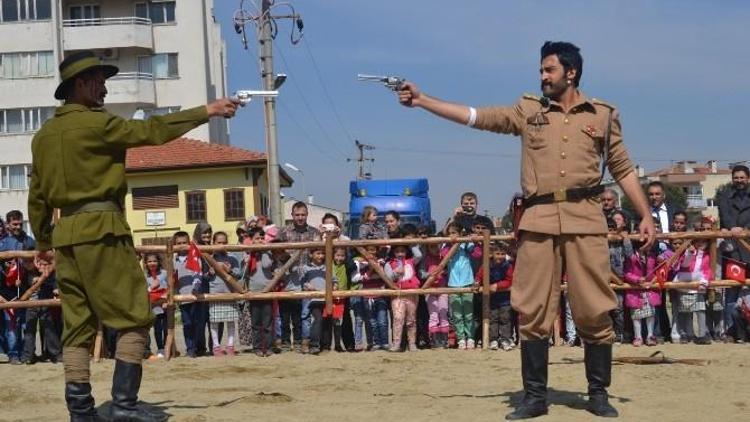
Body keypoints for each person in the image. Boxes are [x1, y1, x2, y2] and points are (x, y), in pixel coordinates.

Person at [394, 41, 655, 419]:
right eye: (541, 70)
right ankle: (535, 397)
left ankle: (598, 393)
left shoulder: (602, 116)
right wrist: (423, 101)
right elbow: (476, 116)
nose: (542, 76)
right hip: (538, 221)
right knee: (532, 310)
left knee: (595, 308)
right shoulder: (527, 110)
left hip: (586, 220)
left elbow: (624, 169)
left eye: (549, 70)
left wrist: (644, 214)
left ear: (571, 72)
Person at [27, 50, 240, 421]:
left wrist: (44, 242)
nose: (104, 88)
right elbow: (152, 132)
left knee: (77, 325)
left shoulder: (44, 136)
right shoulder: (97, 124)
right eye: (98, 80)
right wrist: (206, 111)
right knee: (137, 316)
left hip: (66, 237)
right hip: (103, 231)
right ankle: (123, 405)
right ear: (80, 84)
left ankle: (81, 412)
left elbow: (37, 196)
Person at [278, 201, 321, 353]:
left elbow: (319, 252)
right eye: (297, 214)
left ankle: (301, 341)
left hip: (309, 276)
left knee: (303, 313)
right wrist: (287, 263)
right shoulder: (283, 232)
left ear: (307, 214)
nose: (300, 217)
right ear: (292, 215)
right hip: (289, 276)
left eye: (303, 214)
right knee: (285, 313)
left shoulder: (315, 232)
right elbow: (278, 252)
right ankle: (284, 341)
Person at [718, 164, 750, 340]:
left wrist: (745, 229)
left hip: (749, 248)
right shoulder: (724, 196)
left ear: (748, 178)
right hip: (733, 251)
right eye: (736, 177)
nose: (739, 181)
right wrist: (733, 228)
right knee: (731, 292)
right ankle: (731, 330)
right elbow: (725, 216)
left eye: (742, 177)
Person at [623, 228, 660, 347]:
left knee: (650, 314)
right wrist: (637, 279)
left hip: (649, 288)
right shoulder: (632, 258)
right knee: (636, 316)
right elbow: (627, 273)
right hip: (635, 290)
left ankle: (650, 335)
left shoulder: (653, 257)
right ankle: (638, 336)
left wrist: (652, 280)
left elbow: (657, 271)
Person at [475, 242, 515, 351]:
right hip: (491, 298)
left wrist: (497, 285)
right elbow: (479, 275)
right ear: (492, 254)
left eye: (502, 254)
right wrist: (477, 282)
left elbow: (509, 280)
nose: (500, 256)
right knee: (493, 319)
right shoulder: (487, 265)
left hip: (504, 298)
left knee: (505, 319)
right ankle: (493, 339)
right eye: (497, 253)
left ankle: (505, 339)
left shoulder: (507, 266)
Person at [673, 237, 712, 344]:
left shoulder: (707, 256)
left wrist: (704, 283)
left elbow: (707, 271)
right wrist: (690, 253)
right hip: (684, 284)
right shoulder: (688, 253)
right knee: (684, 312)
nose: (701, 243)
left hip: (699, 285)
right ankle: (685, 334)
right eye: (698, 241)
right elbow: (685, 264)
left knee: (700, 310)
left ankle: (702, 334)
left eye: (703, 241)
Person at [244, 228, 277, 357]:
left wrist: (264, 250)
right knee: (256, 323)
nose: (260, 241)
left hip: (267, 291)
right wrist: (251, 252)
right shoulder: (247, 254)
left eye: (262, 238)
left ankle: (268, 347)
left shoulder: (267, 253)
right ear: (251, 240)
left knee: (267, 323)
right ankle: (257, 347)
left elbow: (266, 265)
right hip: (253, 291)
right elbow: (244, 270)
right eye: (257, 238)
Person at [444, 222, 476, 350]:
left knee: (468, 314)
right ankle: (461, 338)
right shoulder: (445, 247)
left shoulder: (466, 244)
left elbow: (476, 252)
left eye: (454, 233)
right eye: (450, 233)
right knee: (456, 314)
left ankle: (471, 337)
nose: (452, 236)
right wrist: (451, 244)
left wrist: (469, 239)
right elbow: (443, 255)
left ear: (460, 233)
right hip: (453, 283)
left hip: (467, 281)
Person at [173, 231, 204, 358]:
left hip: (195, 295)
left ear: (189, 242)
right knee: (187, 324)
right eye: (178, 243)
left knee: (197, 323)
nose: (181, 245)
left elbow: (198, 272)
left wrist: (196, 287)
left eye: (184, 243)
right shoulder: (173, 260)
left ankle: (196, 347)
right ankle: (190, 347)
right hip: (182, 297)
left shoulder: (194, 256)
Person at [384, 244, 420, 352]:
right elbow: (388, 278)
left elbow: (419, 255)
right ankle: (396, 343)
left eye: (403, 251)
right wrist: (396, 272)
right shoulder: (389, 264)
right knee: (398, 319)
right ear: (393, 253)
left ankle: (412, 343)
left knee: (411, 319)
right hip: (397, 295)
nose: (400, 254)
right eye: (397, 251)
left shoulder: (411, 261)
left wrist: (410, 242)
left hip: (411, 294)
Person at [300, 247, 331, 355]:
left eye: (322, 254)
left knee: (326, 321)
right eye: (318, 253)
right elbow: (302, 282)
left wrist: (335, 286)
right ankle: (314, 344)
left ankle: (325, 345)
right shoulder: (305, 268)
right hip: (313, 299)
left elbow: (334, 280)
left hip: (326, 298)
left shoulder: (327, 267)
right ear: (311, 255)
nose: (321, 256)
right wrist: (306, 285)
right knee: (318, 319)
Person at [421, 241, 449, 348]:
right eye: (432, 247)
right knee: (433, 314)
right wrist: (429, 274)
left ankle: (444, 339)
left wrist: (444, 272)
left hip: (442, 288)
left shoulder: (443, 257)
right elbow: (421, 273)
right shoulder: (426, 259)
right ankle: (434, 339)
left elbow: (448, 269)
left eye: (436, 246)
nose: (435, 249)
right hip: (430, 289)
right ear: (428, 248)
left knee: (443, 311)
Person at [143, 253, 168, 359]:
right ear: (146, 263)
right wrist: (150, 288)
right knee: (148, 329)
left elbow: (170, 287)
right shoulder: (144, 276)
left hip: (163, 305)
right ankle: (147, 350)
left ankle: (162, 348)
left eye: (154, 261)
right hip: (150, 306)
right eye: (149, 261)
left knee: (162, 328)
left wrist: (167, 298)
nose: (152, 263)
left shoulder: (165, 273)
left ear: (158, 262)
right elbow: (143, 291)